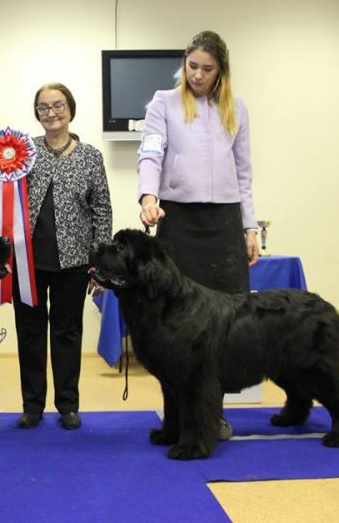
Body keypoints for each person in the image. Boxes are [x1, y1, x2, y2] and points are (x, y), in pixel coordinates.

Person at [137, 30, 261, 440]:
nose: (198, 75)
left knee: (225, 327)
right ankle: (177, 418)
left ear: (220, 70)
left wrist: (250, 227)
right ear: (184, 63)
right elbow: (151, 152)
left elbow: (244, 173)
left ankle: (213, 415)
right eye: (192, 66)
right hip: (180, 221)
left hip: (225, 223)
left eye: (208, 69)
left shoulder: (237, 108)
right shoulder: (163, 103)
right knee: (178, 326)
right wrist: (148, 196)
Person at [0, 83, 113, 430]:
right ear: (36, 113)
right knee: (30, 332)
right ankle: (32, 405)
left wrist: (101, 258)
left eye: (57, 105)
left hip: (74, 261)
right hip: (28, 262)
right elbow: (0, 195)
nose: (51, 113)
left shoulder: (90, 156)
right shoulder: (25, 152)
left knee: (68, 333)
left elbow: (102, 208)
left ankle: (68, 404)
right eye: (43, 107)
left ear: (70, 108)